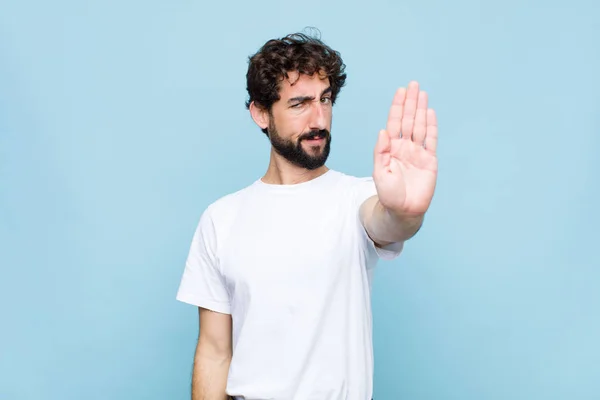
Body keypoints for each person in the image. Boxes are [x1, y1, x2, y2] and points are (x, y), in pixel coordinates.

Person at [176, 30, 439, 400]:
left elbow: (389, 222)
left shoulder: (357, 198)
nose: (319, 119)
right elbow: (215, 353)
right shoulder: (221, 218)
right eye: (300, 103)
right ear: (261, 113)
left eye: (326, 99)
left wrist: (405, 210)